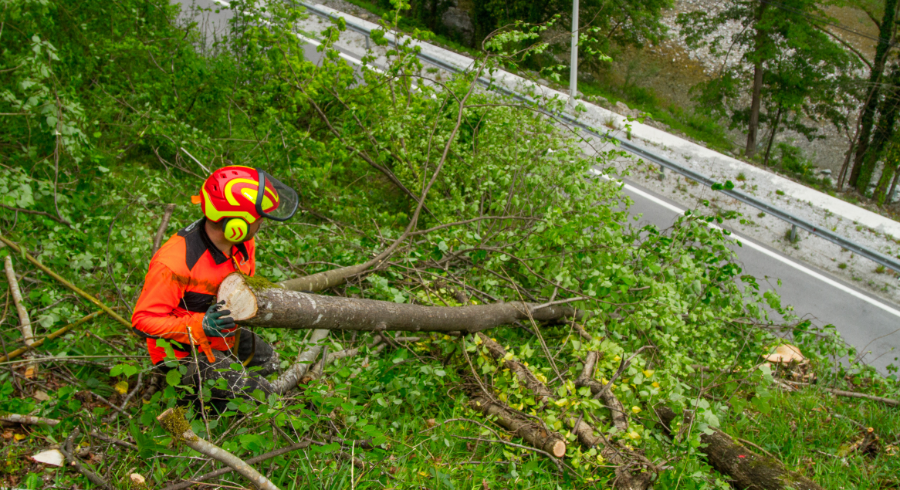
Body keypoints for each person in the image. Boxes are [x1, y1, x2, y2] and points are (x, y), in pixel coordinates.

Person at [132, 166, 299, 410]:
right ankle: (192, 402)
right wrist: (199, 325)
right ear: (235, 224)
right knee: (258, 394)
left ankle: (226, 390)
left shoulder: (243, 244)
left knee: (271, 363)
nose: (261, 222)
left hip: (224, 335)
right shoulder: (174, 262)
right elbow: (142, 322)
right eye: (257, 218)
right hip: (183, 352)